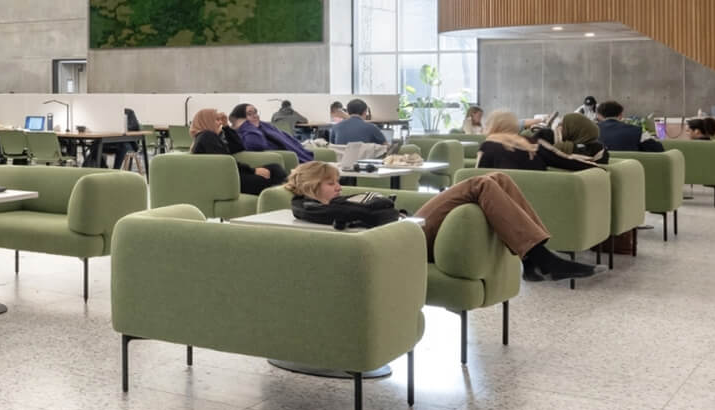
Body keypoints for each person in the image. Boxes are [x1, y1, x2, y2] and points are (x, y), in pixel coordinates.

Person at [284, 161, 594, 282]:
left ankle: (534, 257)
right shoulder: (315, 210)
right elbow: (370, 218)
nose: (338, 187)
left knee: (498, 177)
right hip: (409, 240)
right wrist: (373, 206)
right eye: (330, 184)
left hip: (409, 227)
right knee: (480, 185)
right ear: (312, 188)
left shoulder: (327, 203)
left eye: (337, 181)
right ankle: (540, 258)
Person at [188, 108, 285, 196]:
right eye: (216, 120)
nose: (220, 123)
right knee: (270, 179)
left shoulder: (205, 137)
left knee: (274, 168)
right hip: (226, 180)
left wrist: (226, 126)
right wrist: (253, 171)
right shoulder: (207, 136)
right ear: (207, 121)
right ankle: (283, 198)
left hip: (230, 175)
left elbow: (238, 147)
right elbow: (225, 162)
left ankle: (284, 195)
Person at [479, 110, 606, 170]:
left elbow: (476, 177)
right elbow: (565, 160)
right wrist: (600, 169)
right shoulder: (533, 144)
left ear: (492, 126)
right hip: (542, 196)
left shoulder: (487, 146)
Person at [228, 103, 314, 165]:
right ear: (240, 120)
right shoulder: (241, 134)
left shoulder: (265, 127)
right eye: (250, 114)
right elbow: (255, 145)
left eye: (255, 112)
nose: (255, 116)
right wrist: (248, 126)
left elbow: (288, 139)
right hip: (286, 161)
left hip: (302, 160)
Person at [595, 101, 663, 152]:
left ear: (599, 116)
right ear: (621, 115)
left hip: (598, 169)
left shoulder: (591, 131)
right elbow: (658, 149)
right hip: (632, 168)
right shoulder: (636, 130)